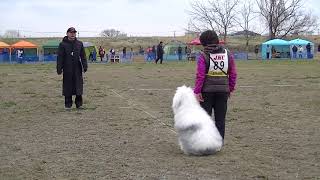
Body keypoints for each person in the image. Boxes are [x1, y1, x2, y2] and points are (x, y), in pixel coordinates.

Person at [194, 30, 237, 143]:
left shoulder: (203, 56)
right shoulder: (228, 54)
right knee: (220, 120)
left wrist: (197, 92)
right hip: (223, 91)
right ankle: (218, 143)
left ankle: (205, 142)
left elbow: (200, 75)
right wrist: (230, 88)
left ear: (203, 42)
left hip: (206, 92)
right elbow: (233, 73)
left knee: (205, 119)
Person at [57, 27, 88, 109]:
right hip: (67, 68)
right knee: (68, 86)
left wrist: (85, 66)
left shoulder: (79, 44)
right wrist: (59, 68)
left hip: (77, 68)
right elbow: (60, 57)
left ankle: (79, 104)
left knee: (78, 86)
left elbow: (83, 56)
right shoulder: (62, 44)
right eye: (71, 32)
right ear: (67, 33)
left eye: (74, 32)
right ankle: (68, 105)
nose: (72, 34)